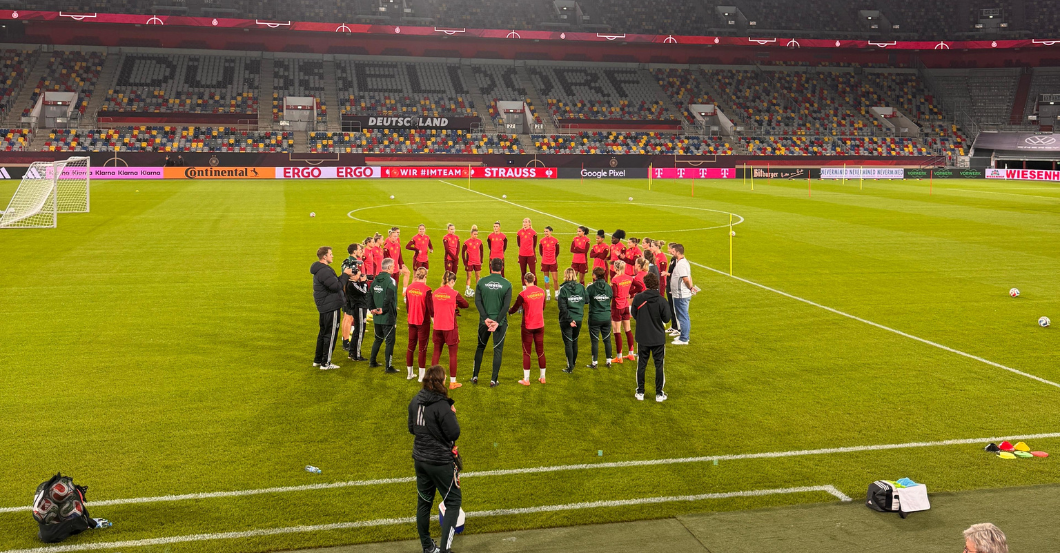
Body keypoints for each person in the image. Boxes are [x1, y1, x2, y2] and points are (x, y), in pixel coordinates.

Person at [408, 365, 462, 553]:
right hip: (439, 462)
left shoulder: (415, 401)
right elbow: (454, 432)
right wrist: (452, 413)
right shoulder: (442, 404)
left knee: (424, 502)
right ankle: (445, 551)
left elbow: (412, 428)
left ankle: (427, 548)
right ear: (441, 381)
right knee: (453, 502)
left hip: (420, 460)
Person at [472, 258, 512, 387]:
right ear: (502, 267)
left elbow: (477, 301)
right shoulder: (507, 284)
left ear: (490, 267)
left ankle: (475, 376)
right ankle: (493, 380)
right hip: (499, 324)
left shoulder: (481, 282)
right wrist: (497, 321)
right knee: (497, 350)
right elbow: (506, 306)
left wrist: (485, 318)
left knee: (480, 347)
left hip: (484, 322)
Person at [311, 246, 352, 370]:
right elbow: (336, 286)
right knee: (331, 334)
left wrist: (342, 276)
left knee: (323, 333)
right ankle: (326, 363)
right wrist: (345, 275)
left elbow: (333, 283)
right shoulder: (325, 271)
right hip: (331, 306)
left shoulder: (320, 270)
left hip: (325, 305)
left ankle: (318, 360)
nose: (332, 256)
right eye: (330, 254)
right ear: (324, 257)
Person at [632, 273, 671, 402]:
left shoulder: (638, 298)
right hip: (658, 338)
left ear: (645, 284)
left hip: (643, 336)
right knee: (659, 365)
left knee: (642, 364)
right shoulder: (661, 300)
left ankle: (640, 392)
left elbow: (634, 314)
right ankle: (659, 394)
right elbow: (666, 318)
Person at [431, 271, 470, 389]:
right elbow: (465, 304)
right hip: (450, 327)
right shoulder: (454, 293)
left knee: (436, 352)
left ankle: (434, 380)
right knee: (452, 354)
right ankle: (453, 382)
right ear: (452, 281)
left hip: (437, 326)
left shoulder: (435, 293)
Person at [509, 273, 547, 385]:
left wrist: (509, 311)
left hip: (528, 325)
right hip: (540, 324)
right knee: (540, 351)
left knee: (526, 352)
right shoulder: (541, 291)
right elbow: (543, 307)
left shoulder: (523, 294)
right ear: (534, 280)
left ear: (525, 281)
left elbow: (515, 307)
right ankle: (543, 377)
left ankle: (526, 379)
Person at [369, 258, 400, 373]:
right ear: (388, 268)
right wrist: (384, 309)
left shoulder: (375, 280)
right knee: (389, 342)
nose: (394, 269)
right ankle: (388, 367)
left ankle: (372, 362)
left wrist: (372, 308)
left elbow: (369, 295)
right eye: (392, 267)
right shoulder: (391, 281)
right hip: (388, 317)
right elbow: (389, 297)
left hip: (377, 317)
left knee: (378, 339)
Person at [610, 260, 643, 364]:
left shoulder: (615, 280)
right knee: (628, 330)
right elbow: (640, 287)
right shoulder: (629, 277)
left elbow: (614, 295)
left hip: (617, 307)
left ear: (615, 269)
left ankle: (619, 357)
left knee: (617, 331)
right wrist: (629, 292)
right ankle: (631, 354)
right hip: (625, 306)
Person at [405, 267, 434, 382]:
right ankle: (421, 376)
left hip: (411, 320)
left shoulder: (409, 288)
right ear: (426, 276)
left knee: (410, 346)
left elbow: (407, 306)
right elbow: (430, 309)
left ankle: (409, 374)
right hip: (422, 322)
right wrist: (435, 321)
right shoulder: (427, 290)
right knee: (422, 348)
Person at [557, 267, 587, 373]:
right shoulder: (581, 287)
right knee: (575, 341)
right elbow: (586, 300)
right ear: (575, 275)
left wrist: (569, 319)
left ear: (565, 275)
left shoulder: (563, 289)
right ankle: (573, 364)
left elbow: (562, 307)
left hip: (567, 320)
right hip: (578, 318)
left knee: (568, 343)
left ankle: (570, 367)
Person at [584, 267, 613, 369]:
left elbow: (586, 301)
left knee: (595, 341)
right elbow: (610, 297)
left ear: (594, 276)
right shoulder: (608, 287)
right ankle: (609, 361)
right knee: (607, 339)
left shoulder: (591, 288)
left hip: (595, 317)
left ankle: (594, 363)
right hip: (606, 316)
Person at [341, 243, 366, 352]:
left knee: (348, 317)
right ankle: (346, 342)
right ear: (354, 251)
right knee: (348, 317)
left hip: (347, 292)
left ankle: (345, 339)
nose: (362, 250)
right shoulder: (351, 262)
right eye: (360, 249)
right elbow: (350, 277)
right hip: (349, 293)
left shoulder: (349, 261)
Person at [669, 243, 695, 345]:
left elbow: (685, 279)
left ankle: (684, 339)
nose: (672, 253)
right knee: (682, 316)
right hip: (680, 293)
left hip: (681, 295)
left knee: (683, 316)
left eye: (673, 251)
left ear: (677, 252)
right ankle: (683, 335)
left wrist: (690, 287)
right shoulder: (682, 262)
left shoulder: (681, 264)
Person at [343, 267, 370, 361]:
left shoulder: (351, 283)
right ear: (353, 275)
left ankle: (352, 352)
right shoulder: (352, 284)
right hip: (359, 308)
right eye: (359, 274)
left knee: (357, 331)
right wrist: (363, 282)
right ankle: (357, 355)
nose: (360, 276)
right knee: (360, 331)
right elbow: (364, 291)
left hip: (358, 308)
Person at [384, 227, 411, 293]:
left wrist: (401, 268)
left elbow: (399, 257)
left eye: (396, 236)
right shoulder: (386, 247)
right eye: (394, 236)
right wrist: (388, 270)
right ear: (389, 237)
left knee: (395, 286)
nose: (395, 238)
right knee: (388, 287)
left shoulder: (398, 245)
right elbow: (386, 260)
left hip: (396, 269)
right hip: (389, 270)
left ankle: (394, 301)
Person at [461, 225, 483, 297]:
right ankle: (467, 290)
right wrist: (465, 262)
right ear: (471, 234)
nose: (475, 236)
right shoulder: (467, 242)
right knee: (469, 276)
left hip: (477, 262)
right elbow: (463, 252)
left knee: (478, 276)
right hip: (469, 262)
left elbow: (481, 251)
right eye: (474, 234)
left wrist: (481, 260)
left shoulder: (479, 242)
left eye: (477, 234)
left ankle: (478, 290)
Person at [539, 226, 559, 300]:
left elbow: (557, 252)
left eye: (547, 231)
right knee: (546, 279)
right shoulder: (542, 241)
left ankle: (557, 294)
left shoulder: (555, 241)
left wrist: (552, 257)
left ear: (551, 232)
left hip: (553, 262)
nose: (545, 233)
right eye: (544, 231)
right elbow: (541, 252)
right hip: (545, 262)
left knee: (555, 279)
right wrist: (545, 257)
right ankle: (548, 294)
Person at [516, 217, 537, 286]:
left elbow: (534, 245)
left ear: (529, 223)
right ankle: (524, 287)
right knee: (523, 272)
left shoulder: (533, 233)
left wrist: (534, 255)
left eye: (526, 222)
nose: (524, 223)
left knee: (533, 272)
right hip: (522, 255)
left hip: (530, 255)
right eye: (523, 222)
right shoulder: (519, 232)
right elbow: (519, 244)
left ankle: (534, 286)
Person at [664, 242, 680, 338]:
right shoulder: (673, 259)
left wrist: (666, 274)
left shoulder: (677, 260)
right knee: (671, 306)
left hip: (673, 286)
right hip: (670, 285)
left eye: (669, 249)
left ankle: (678, 328)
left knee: (675, 307)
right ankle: (674, 326)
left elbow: (676, 274)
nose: (668, 250)